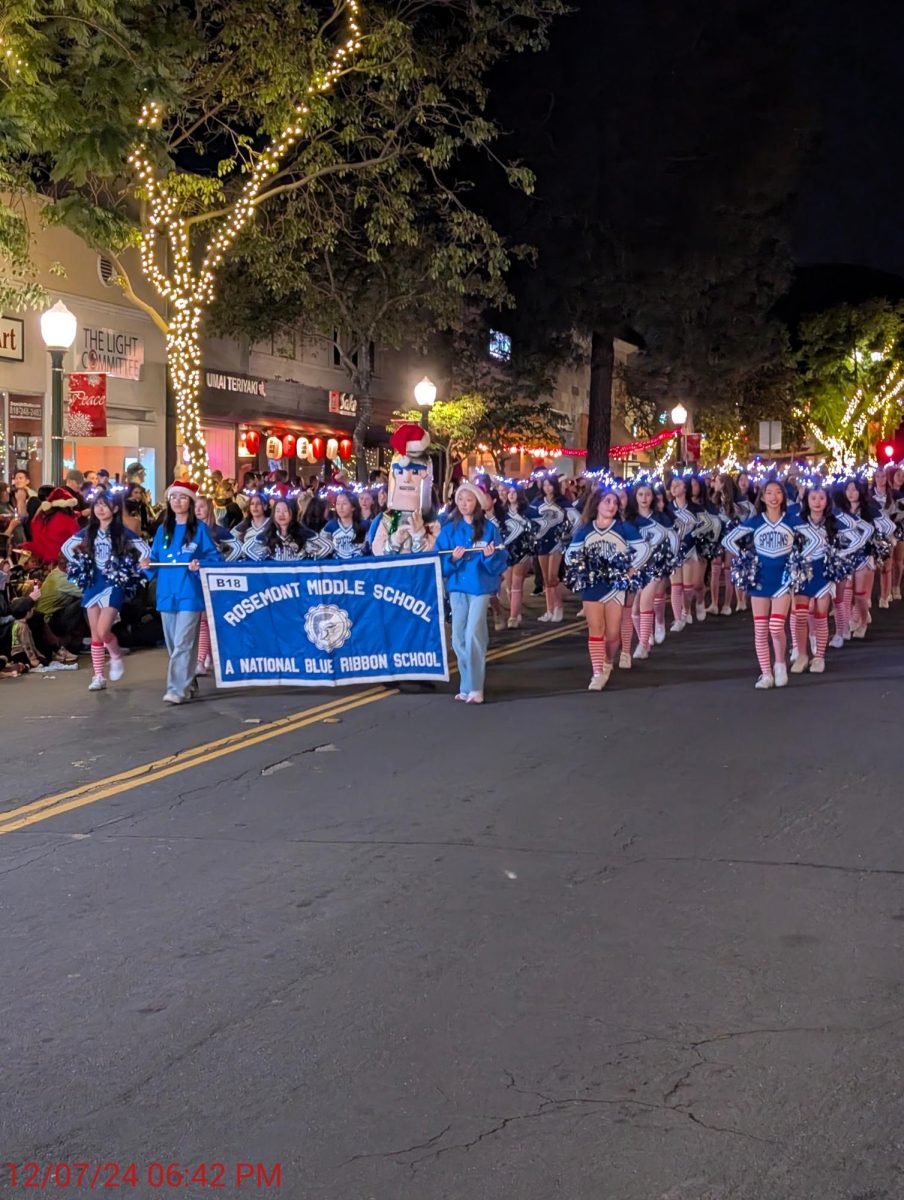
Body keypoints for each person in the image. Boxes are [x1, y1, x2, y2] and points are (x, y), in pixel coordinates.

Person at [721, 479, 812, 689]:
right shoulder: (756, 521)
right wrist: (745, 557)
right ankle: (766, 673)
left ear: (783, 496)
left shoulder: (791, 519)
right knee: (761, 629)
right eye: (769, 493)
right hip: (760, 579)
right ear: (762, 497)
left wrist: (798, 558)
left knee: (776, 625)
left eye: (778, 492)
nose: (773, 497)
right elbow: (728, 540)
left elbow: (816, 539)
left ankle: (780, 664)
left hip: (782, 580)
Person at [140, 480, 222, 705]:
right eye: (174, 497)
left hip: (190, 592)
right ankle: (188, 682)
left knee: (184, 641)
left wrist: (200, 564)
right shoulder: (162, 530)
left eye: (183, 497)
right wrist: (147, 565)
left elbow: (215, 559)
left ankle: (176, 689)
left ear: (191, 502)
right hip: (167, 593)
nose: (178, 501)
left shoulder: (200, 530)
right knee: (174, 644)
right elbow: (155, 558)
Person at [62, 491, 151, 691]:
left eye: (105, 505)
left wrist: (138, 566)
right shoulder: (89, 530)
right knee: (95, 634)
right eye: (97, 505)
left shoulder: (122, 532)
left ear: (116, 508)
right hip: (93, 582)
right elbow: (66, 547)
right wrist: (80, 562)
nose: (100, 509)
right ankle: (99, 676)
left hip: (114, 583)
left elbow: (145, 550)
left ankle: (116, 654)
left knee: (103, 631)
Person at [564, 486, 651, 690]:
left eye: (615, 503)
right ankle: (597, 673)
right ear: (597, 504)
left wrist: (632, 568)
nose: (612, 506)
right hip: (593, 584)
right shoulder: (586, 529)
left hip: (615, 586)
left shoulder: (623, 528)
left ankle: (608, 661)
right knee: (596, 628)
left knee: (612, 634)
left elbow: (645, 549)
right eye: (607, 501)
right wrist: (582, 565)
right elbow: (569, 556)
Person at [434, 481, 507, 704]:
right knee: (457, 638)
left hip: (480, 586)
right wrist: (453, 559)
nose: (464, 504)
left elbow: (500, 562)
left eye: (469, 500)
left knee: (473, 632)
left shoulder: (489, 528)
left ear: (476, 503)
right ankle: (466, 684)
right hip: (456, 587)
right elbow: (439, 563)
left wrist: (488, 556)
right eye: (460, 500)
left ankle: (476, 686)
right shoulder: (448, 529)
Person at [320, 490, 370, 558]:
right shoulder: (330, 526)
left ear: (353, 507)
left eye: (344, 503)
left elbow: (370, 548)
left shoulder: (365, 525)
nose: (340, 507)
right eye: (338, 504)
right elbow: (322, 546)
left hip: (359, 565)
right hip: (337, 566)